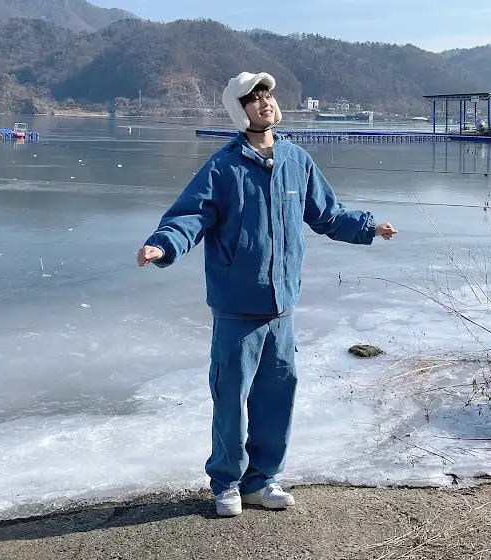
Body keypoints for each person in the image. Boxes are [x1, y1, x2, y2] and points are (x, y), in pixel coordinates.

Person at [137, 71, 398, 517]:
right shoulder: (223, 167)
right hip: (237, 305)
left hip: (282, 306)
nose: (265, 103)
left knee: (277, 396)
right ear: (239, 111)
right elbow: (190, 216)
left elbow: (327, 215)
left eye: (268, 96)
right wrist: (163, 245)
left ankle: (261, 481)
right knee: (230, 397)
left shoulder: (296, 160)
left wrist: (368, 227)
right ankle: (226, 482)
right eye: (254, 99)